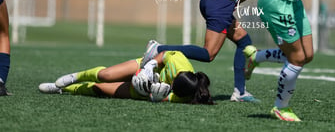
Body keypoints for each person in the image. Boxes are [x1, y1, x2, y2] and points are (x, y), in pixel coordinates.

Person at [39, 50, 214, 105]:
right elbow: (163, 54)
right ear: (178, 76)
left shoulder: (184, 96)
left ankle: (64, 89)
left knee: (98, 88)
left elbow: (163, 98)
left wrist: (155, 96)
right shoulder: (180, 63)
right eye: (173, 82)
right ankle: (75, 77)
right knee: (105, 75)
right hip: (144, 68)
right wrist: (149, 66)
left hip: (144, 92)